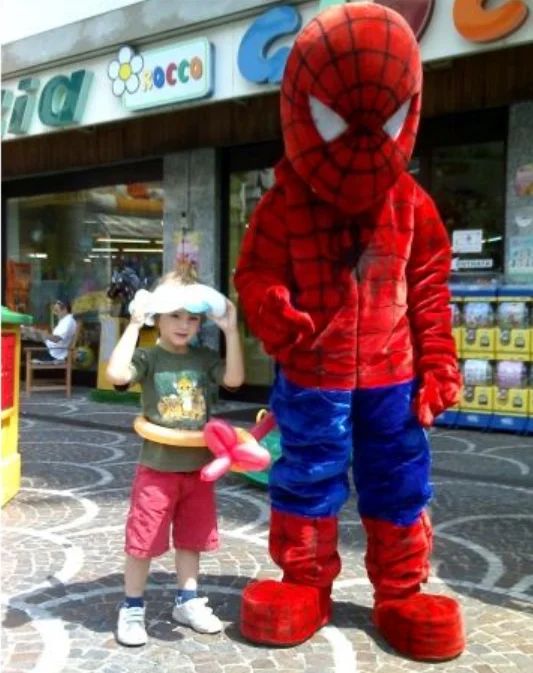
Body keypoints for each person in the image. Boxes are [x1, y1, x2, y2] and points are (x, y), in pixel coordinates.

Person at [234, 3, 464, 663]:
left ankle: (399, 589)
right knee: (306, 474)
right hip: (313, 373)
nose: (363, 148)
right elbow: (256, 272)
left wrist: (439, 362)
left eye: (385, 125)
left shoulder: (413, 205)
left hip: (393, 375)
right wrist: (274, 309)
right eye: (338, 123)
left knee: (398, 477)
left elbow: (427, 286)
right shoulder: (282, 202)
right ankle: (304, 580)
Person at [106, 269, 244, 647]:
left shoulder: (202, 357)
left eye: (193, 317)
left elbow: (234, 380)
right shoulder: (150, 357)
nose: (185, 325)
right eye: (175, 315)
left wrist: (231, 330)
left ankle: (187, 599)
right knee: (143, 539)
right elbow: (117, 372)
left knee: (192, 539)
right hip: (157, 469)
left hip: (198, 470)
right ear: (159, 316)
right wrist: (136, 323)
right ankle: (132, 606)